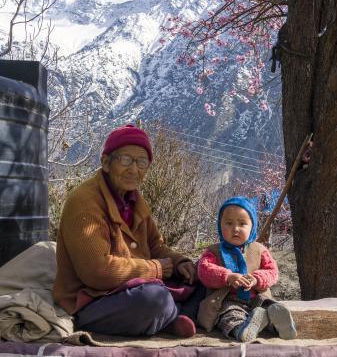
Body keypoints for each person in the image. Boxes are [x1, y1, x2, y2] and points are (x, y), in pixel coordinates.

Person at [53, 124, 202, 338]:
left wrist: (180, 263)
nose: (134, 169)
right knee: (152, 299)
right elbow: (97, 272)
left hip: (133, 287)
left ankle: (166, 317)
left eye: (141, 162)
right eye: (126, 160)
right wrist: (156, 269)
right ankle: (172, 315)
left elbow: (155, 246)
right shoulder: (84, 203)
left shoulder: (134, 201)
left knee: (201, 276)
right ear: (106, 163)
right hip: (94, 300)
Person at [196, 196, 296, 342]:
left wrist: (257, 279)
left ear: (252, 227)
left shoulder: (260, 250)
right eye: (229, 223)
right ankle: (243, 329)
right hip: (227, 301)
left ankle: (280, 325)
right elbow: (204, 270)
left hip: (257, 298)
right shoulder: (214, 251)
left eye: (242, 224)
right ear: (220, 225)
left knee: (268, 306)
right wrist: (227, 276)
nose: (235, 229)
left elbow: (272, 272)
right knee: (229, 317)